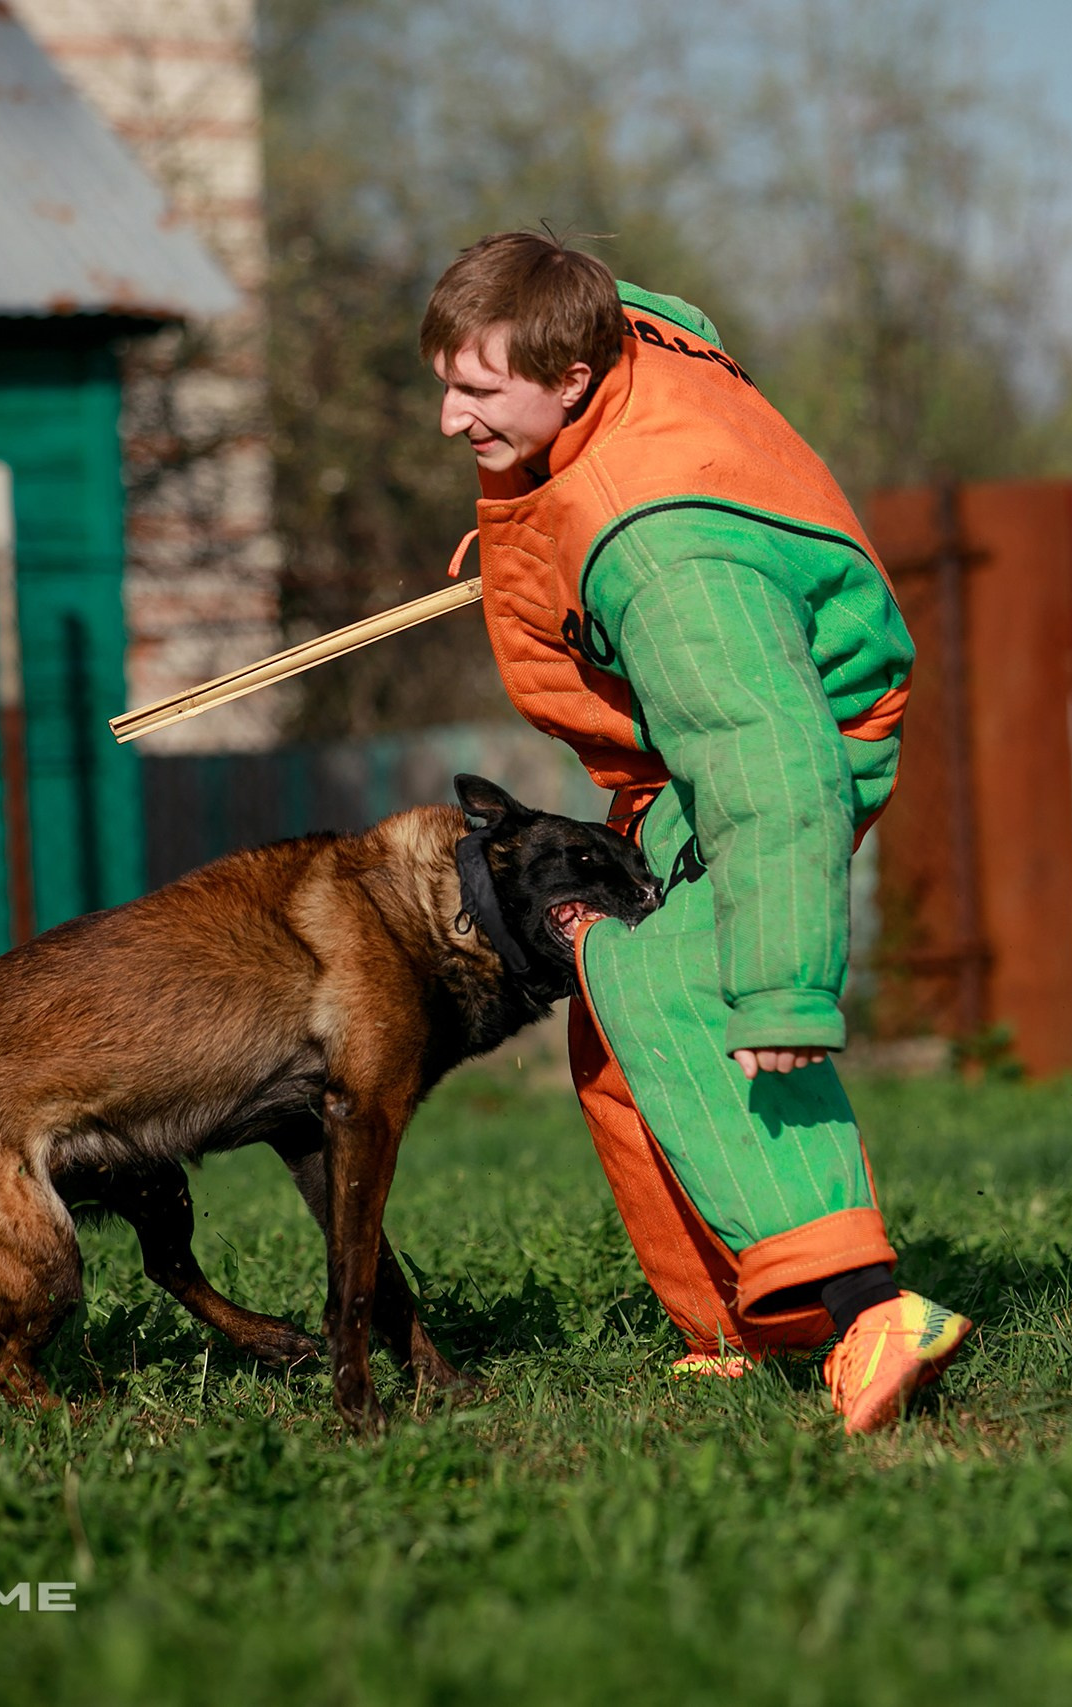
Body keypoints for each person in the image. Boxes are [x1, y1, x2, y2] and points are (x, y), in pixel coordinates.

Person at [421, 231, 971, 1434]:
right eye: (448, 383)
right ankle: (735, 1323)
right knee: (619, 1020)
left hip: (792, 737)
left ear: (572, 377)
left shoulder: (666, 560)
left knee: (677, 986)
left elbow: (771, 768)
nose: (451, 417)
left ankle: (866, 1309)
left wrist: (779, 988)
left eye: (479, 390)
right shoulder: (604, 338)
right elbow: (660, 310)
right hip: (713, 735)